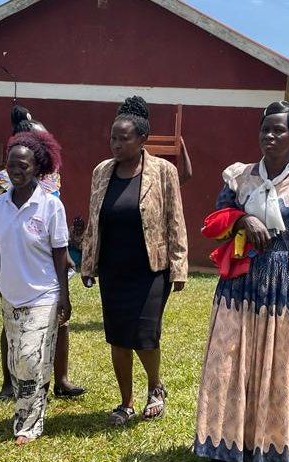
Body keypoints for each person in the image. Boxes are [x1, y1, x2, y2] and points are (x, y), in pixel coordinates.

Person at [193, 101, 289, 462]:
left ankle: (275, 446)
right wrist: (244, 217)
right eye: (265, 128)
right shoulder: (238, 176)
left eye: (279, 130)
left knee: (279, 365)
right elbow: (216, 220)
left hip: (286, 285)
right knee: (229, 361)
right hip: (240, 281)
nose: (269, 136)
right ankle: (223, 449)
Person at [80, 96, 188, 426]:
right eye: (113, 137)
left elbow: (175, 218)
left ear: (142, 140)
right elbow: (94, 218)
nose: (116, 144)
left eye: (123, 138)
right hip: (114, 268)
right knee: (117, 337)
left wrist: (179, 264)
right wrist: (88, 263)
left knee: (144, 335)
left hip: (150, 268)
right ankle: (125, 402)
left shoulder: (163, 171)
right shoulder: (101, 172)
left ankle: (155, 387)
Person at [0, 131, 71, 445]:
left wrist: (64, 297)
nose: (16, 171)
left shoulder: (50, 207)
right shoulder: (0, 205)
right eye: (11, 165)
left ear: (38, 169)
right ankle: (30, 407)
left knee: (31, 359)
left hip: (43, 294)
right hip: (10, 293)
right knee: (16, 360)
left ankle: (28, 425)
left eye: (23, 166)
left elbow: (61, 255)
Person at [0, 105, 86, 400]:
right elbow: (5, 228)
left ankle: (61, 379)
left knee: (59, 322)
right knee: (12, 326)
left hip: (46, 257)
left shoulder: (51, 179)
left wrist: (68, 242)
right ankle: (9, 380)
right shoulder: (2, 181)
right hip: (18, 263)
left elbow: (52, 214)